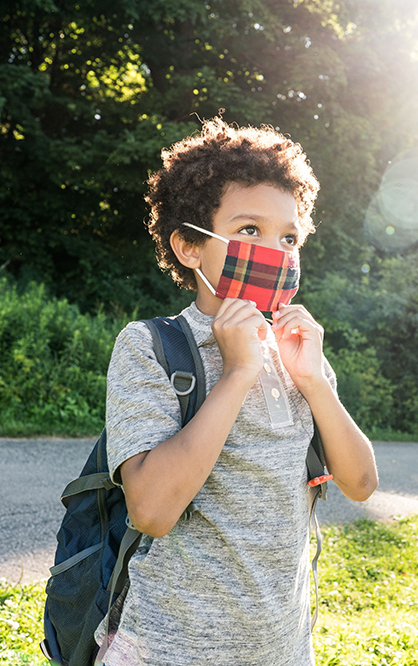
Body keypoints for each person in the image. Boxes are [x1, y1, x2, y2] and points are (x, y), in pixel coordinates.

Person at [96, 117, 378, 666]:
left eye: (289, 238)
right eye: (249, 231)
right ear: (189, 247)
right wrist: (237, 374)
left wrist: (314, 380)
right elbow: (152, 510)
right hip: (167, 650)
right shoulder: (151, 347)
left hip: (284, 649)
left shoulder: (300, 355)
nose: (274, 251)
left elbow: (362, 483)